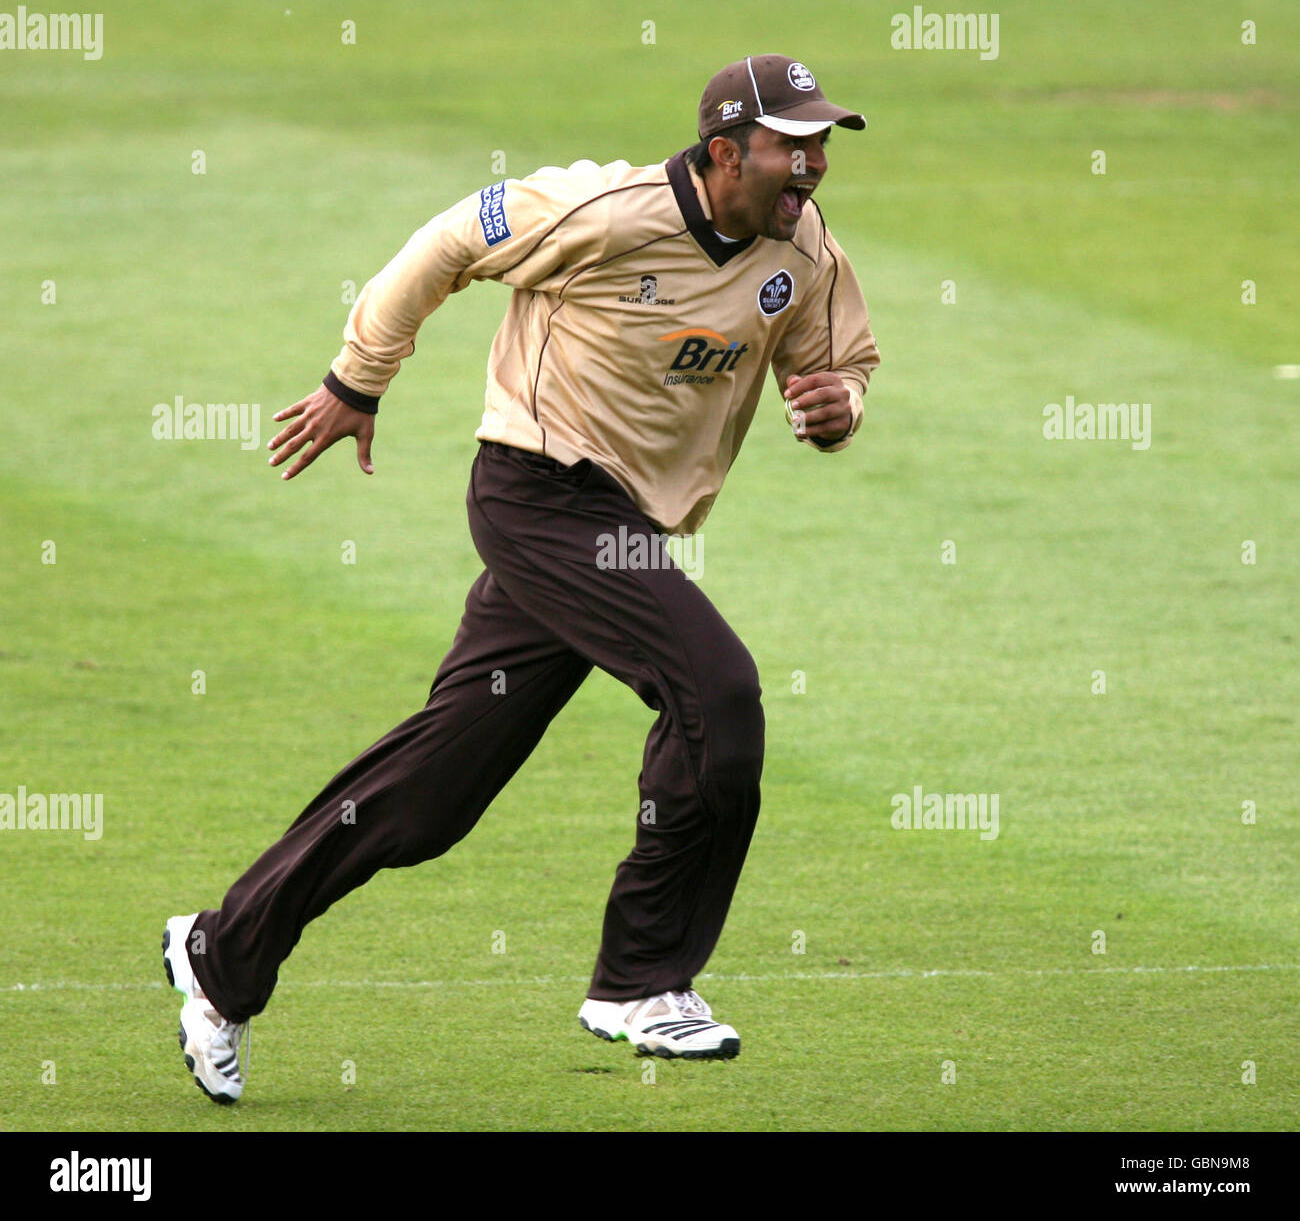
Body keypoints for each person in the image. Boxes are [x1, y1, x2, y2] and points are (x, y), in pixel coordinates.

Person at [162, 53, 880, 1103]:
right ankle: (642, 981)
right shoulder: (600, 209)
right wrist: (357, 379)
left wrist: (835, 412)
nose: (813, 164)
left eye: (821, 143)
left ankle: (218, 957)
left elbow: (835, 364)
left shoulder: (800, 248)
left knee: (428, 799)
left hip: (621, 529)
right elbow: (450, 241)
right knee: (717, 696)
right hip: (539, 498)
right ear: (725, 152)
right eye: (791, 144)